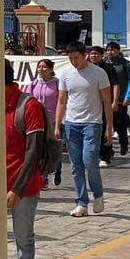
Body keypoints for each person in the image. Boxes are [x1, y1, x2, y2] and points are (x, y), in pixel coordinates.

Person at [6, 60, 46, 259]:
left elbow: (34, 151)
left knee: (23, 238)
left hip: (22, 186)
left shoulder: (27, 105)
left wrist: (17, 189)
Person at [56, 42, 113, 217]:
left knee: (89, 160)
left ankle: (98, 194)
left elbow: (106, 102)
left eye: (76, 57)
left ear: (84, 55)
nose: (74, 61)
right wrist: (57, 125)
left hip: (92, 123)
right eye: (70, 58)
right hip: (71, 124)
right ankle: (81, 202)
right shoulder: (65, 74)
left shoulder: (98, 73)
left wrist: (109, 128)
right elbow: (61, 101)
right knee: (76, 165)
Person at [87, 46, 122, 166]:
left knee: (105, 127)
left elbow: (115, 85)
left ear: (102, 55)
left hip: (105, 102)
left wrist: (115, 101)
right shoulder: (86, 68)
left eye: (96, 54)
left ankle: (105, 156)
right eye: (91, 54)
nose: (93, 56)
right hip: (91, 103)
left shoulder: (108, 68)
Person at [103, 42, 130, 158]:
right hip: (106, 97)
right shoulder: (104, 63)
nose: (110, 52)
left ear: (118, 50)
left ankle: (124, 143)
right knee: (106, 124)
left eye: (112, 50)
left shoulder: (125, 64)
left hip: (121, 99)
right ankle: (108, 149)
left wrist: (128, 96)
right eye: (108, 50)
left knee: (119, 123)